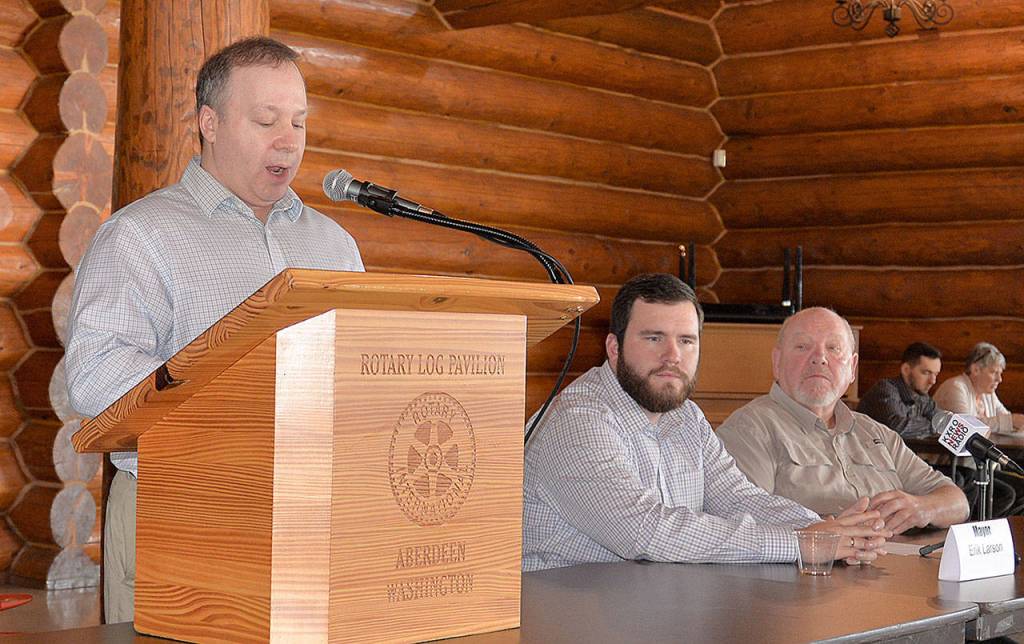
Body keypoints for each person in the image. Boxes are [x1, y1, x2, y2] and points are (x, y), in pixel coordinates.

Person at [64, 37, 364, 623]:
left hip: (314, 513)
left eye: (299, 122)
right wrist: (243, 407)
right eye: (266, 120)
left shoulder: (334, 244)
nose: (289, 140)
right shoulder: (140, 235)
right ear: (210, 123)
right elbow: (97, 379)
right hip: (182, 513)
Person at [522, 275, 889, 572]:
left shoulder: (686, 417)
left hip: (652, 609)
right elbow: (646, 531)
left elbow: (738, 498)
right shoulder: (574, 421)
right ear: (614, 348)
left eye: (686, 341)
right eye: (654, 338)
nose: (672, 356)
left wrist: (826, 529)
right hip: (566, 618)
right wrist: (802, 543)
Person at [717, 308, 969, 536]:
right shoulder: (750, 429)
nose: (819, 358)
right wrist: (826, 532)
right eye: (803, 346)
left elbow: (957, 502)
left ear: (852, 368)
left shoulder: (876, 433)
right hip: (809, 578)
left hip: (895, 572)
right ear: (776, 362)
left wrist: (920, 507)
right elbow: (742, 524)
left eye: (833, 348)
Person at [856, 342, 943, 439]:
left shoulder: (923, 397)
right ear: (906, 370)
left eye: (935, 374)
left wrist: (940, 425)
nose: (933, 381)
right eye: (926, 373)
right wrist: (936, 426)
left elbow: (942, 421)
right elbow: (897, 427)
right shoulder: (885, 389)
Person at [933, 342, 1024, 433]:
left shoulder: (987, 393)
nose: (999, 379)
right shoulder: (955, 387)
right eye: (993, 372)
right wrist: (1011, 421)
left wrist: (1015, 421)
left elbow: (1009, 419)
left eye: (1000, 373)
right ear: (976, 370)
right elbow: (965, 426)